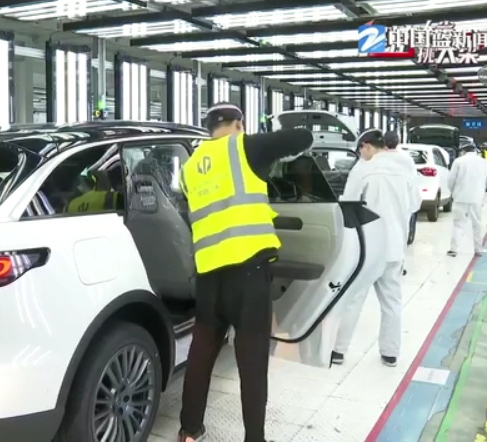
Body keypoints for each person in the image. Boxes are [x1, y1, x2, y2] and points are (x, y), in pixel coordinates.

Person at [178, 102, 313, 442]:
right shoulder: (247, 147)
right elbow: (303, 138)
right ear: (239, 123)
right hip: (249, 274)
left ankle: (189, 430)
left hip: (209, 275)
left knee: (201, 355)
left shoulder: (189, 167)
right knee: (252, 362)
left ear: (210, 128)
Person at [331, 132, 420, 368]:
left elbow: (348, 204)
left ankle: (338, 350)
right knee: (392, 301)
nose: (361, 155)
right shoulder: (406, 170)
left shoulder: (364, 169)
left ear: (367, 146)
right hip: (395, 247)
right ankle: (390, 353)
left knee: (353, 298)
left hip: (368, 248)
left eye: (361, 150)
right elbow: (415, 204)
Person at [447, 141, 487, 257]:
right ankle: (478, 249)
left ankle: (454, 249)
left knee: (458, 224)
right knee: (477, 224)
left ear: (464, 151)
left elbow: (451, 180)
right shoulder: (484, 163)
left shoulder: (458, 161)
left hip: (460, 197)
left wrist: (452, 192)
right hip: (477, 198)